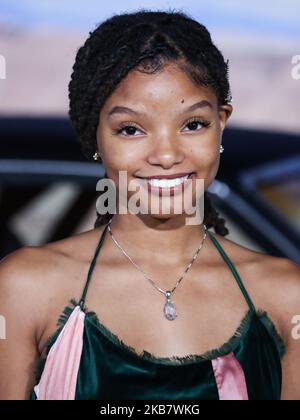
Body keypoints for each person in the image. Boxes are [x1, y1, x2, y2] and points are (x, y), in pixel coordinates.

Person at [0, 9, 300, 401]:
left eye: (193, 124)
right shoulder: (24, 288)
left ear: (221, 124)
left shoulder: (284, 294)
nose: (166, 154)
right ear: (95, 137)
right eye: (130, 129)